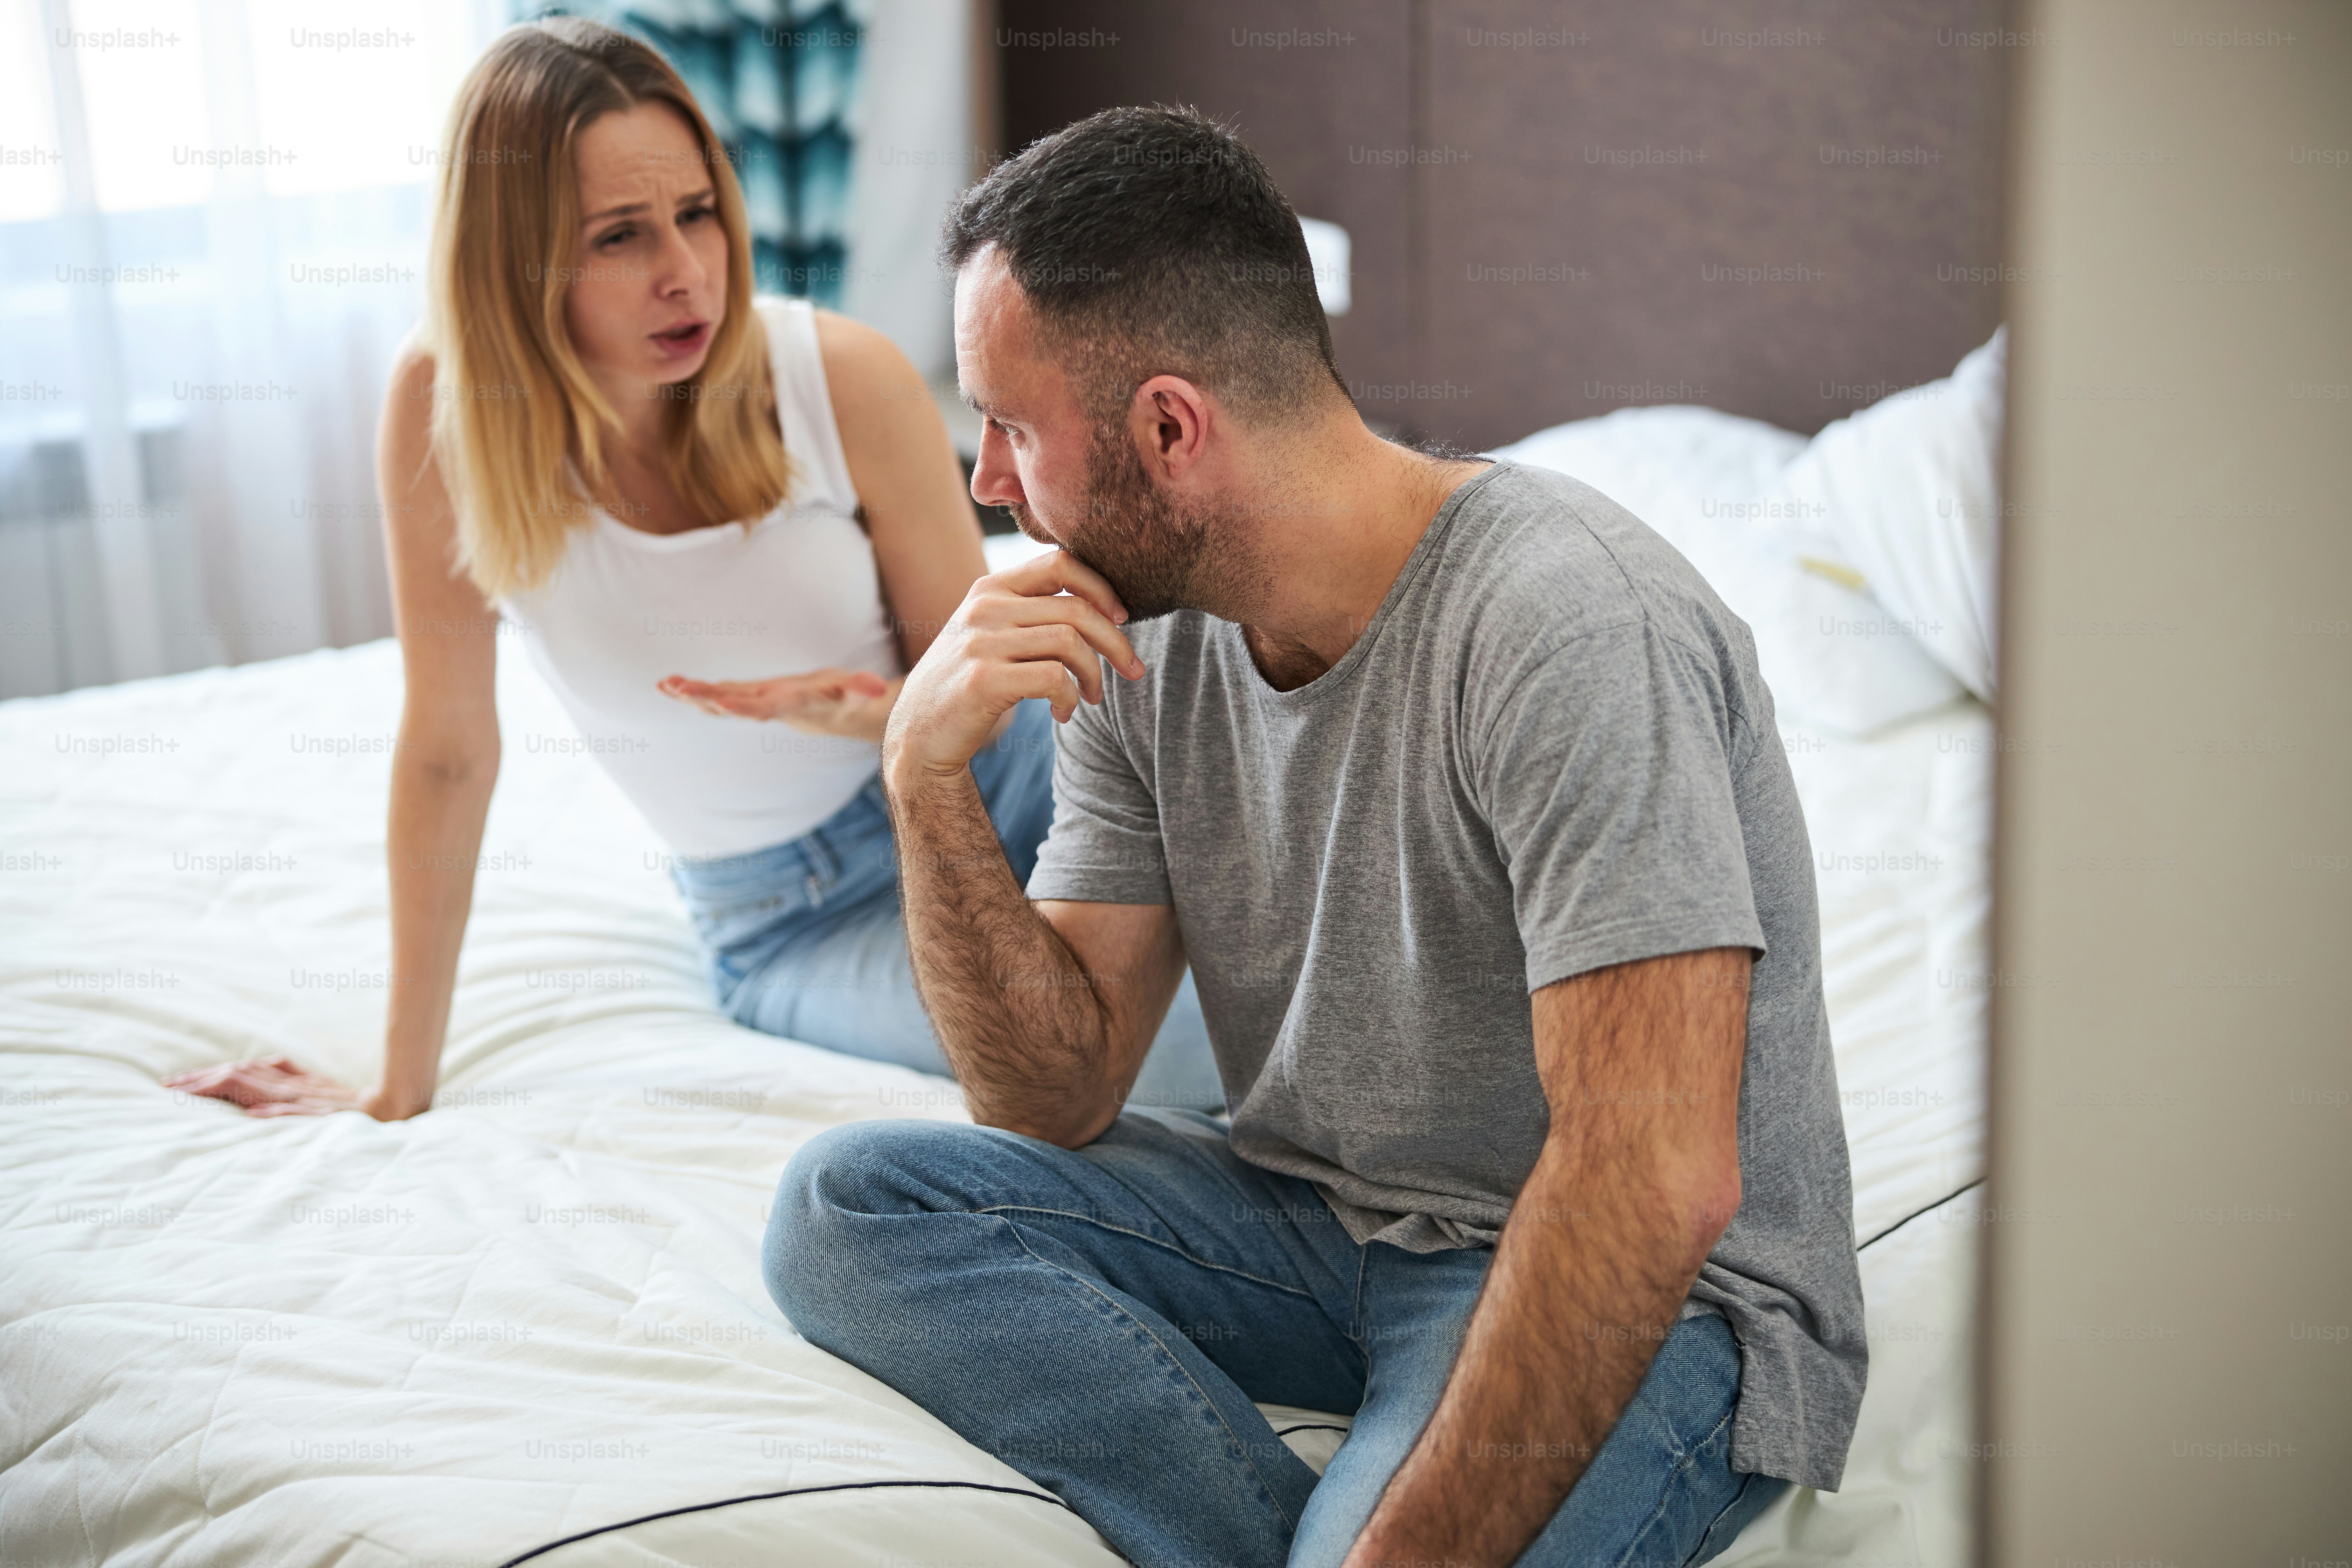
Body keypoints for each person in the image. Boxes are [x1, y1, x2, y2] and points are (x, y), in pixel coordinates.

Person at [764, 107, 1868, 1568]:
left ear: (1169, 430)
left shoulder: (1567, 621)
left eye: (1013, 428)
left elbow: (1653, 1176)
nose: (988, 484)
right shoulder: (1130, 637)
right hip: (1318, 1218)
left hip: (1646, 1290)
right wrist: (926, 781)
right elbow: (1056, 1094)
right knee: (848, 1210)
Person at [160, 20, 1220, 1122]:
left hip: (1007, 793)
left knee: (1282, 939)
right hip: (799, 919)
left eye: (698, 214)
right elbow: (446, 752)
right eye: (620, 237)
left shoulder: (840, 379)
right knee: (1176, 1054)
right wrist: (395, 1090)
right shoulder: (445, 414)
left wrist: (878, 719)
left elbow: (981, 703)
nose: (685, 276)